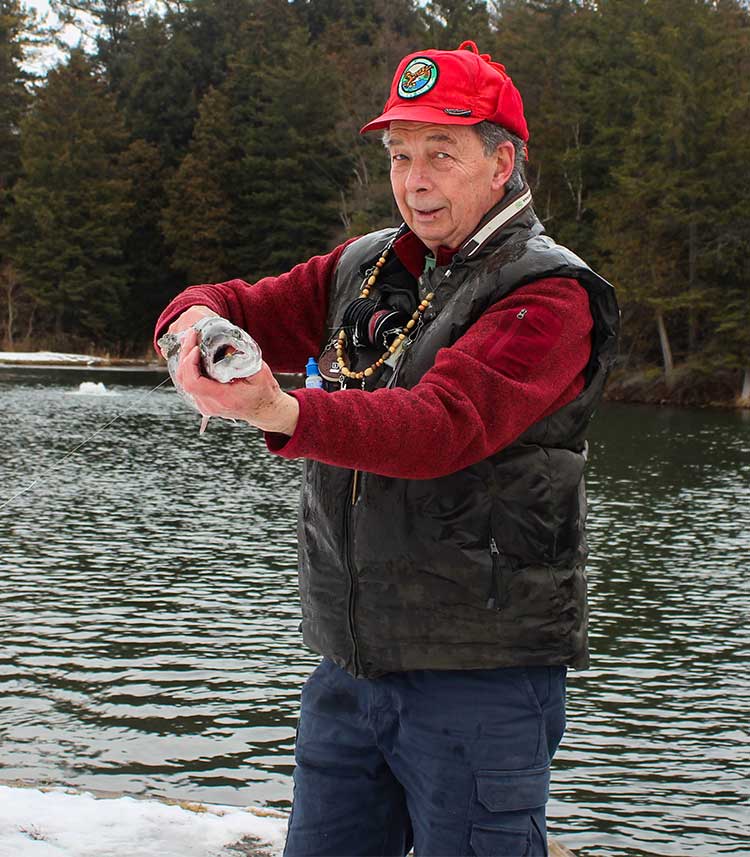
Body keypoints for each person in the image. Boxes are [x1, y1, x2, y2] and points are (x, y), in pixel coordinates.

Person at [155, 40, 619, 857]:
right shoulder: (367, 266)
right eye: (401, 154)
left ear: (503, 161)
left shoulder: (550, 293)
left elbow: (440, 426)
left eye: (442, 152)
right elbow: (231, 301)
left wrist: (278, 408)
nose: (415, 177)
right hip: (349, 664)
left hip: (482, 674)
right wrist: (192, 329)